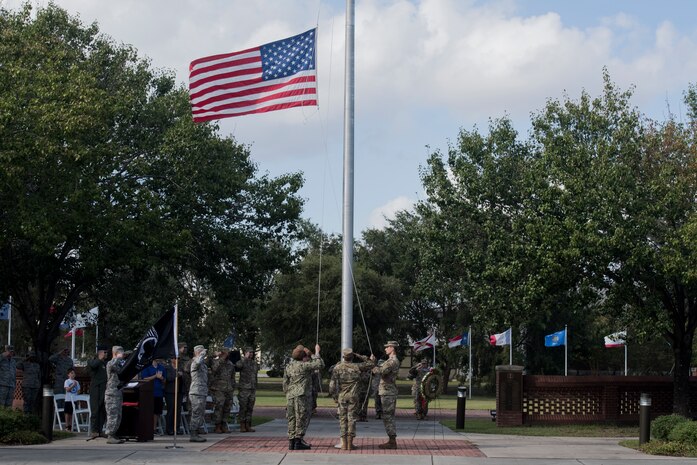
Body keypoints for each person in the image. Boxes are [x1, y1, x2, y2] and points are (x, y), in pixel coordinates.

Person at [328, 348, 375, 450]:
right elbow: (371, 364)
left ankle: (344, 443)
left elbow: (332, 386)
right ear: (352, 357)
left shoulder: (337, 368)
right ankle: (350, 443)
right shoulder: (357, 367)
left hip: (342, 396)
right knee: (352, 419)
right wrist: (359, 355)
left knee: (342, 419)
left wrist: (335, 397)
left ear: (343, 357)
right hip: (353, 396)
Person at [283, 344, 323, 451]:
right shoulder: (304, 366)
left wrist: (287, 393)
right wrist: (316, 352)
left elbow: (285, 383)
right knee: (301, 418)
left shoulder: (289, 366)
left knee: (291, 418)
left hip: (290, 396)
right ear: (303, 357)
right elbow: (320, 364)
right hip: (301, 396)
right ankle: (298, 441)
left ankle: (291, 441)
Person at [372, 340, 400, 449]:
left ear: (392, 348)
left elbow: (381, 371)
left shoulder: (392, 361)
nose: (385, 349)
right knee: (387, 416)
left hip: (388, 392)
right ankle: (391, 439)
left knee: (388, 416)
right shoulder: (390, 361)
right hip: (387, 391)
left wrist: (372, 366)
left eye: (387, 347)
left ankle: (392, 441)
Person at [209, 347, 235, 433]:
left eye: (228, 353)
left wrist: (232, 386)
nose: (227, 355)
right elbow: (214, 370)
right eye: (226, 353)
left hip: (228, 388)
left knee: (227, 407)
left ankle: (224, 424)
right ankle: (217, 426)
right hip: (218, 388)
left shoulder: (230, 364)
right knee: (219, 407)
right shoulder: (216, 362)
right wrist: (221, 358)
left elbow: (232, 377)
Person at [105, 345, 126, 444]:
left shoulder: (118, 365)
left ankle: (114, 434)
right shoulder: (110, 363)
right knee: (112, 415)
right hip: (111, 393)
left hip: (118, 392)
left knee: (118, 415)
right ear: (115, 353)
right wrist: (117, 357)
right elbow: (113, 364)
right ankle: (110, 435)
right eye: (120, 352)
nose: (122, 355)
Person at [235, 346, 259, 433]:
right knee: (243, 407)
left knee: (250, 407)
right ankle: (242, 425)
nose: (251, 354)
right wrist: (244, 358)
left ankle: (248, 425)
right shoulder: (242, 362)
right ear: (245, 353)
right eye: (249, 352)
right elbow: (237, 366)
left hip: (252, 388)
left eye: (252, 352)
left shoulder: (254, 363)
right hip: (244, 388)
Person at [87, 345, 108, 437]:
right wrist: (99, 359)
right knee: (95, 410)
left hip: (104, 388)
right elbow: (93, 365)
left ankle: (100, 430)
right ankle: (94, 430)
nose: (106, 354)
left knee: (102, 410)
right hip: (96, 388)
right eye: (105, 352)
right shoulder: (94, 361)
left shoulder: (105, 363)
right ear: (100, 353)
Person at [188, 344, 208, 442]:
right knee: (196, 413)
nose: (204, 354)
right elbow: (198, 362)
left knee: (200, 413)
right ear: (198, 352)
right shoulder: (195, 362)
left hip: (202, 392)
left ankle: (197, 432)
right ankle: (193, 434)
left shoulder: (203, 364)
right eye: (202, 352)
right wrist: (201, 355)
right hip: (196, 392)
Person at [139, 358, 165, 433]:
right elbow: (144, 378)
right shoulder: (147, 367)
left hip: (158, 392)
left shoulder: (161, 367)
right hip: (148, 393)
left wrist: (162, 378)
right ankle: (147, 428)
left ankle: (154, 429)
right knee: (148, 411)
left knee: (156, 412)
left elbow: (164, 380)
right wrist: (155, 376)